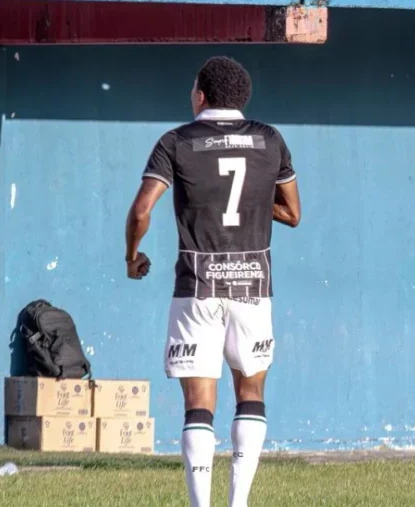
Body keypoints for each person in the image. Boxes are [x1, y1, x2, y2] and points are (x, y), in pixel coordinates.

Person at [124, 56, 301, 507]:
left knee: (198, 404)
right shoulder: (270, 139)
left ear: (201, 95)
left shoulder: (176, 141)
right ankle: (238, 503)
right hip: (254, 285)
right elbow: (292, 213)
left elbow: (141, 210)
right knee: (251, 393)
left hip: (197, 287)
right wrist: (254, 206)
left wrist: (131, 256)